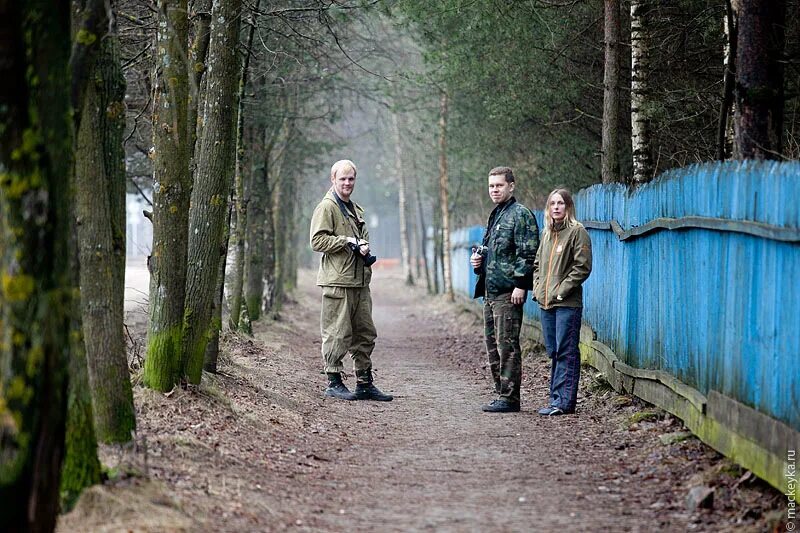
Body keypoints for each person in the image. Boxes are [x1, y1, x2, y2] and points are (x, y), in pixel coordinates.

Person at [309, 159, 393, 402]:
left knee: (365, 333)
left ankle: (364, 383)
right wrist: (347, 241)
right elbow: (317, 241)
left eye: (351, 179)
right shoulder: (326, 207)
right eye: (342, 179)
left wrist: (361, 247)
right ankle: (333, 381)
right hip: (338, 282)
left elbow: (357, 240)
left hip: (359, 281)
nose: (347, 183)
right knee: (337, 332)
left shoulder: (355, 209)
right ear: (333, 179)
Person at [471, 167, 539, 413]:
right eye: (491, 186)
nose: (494, 190)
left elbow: (528, 252)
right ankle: (501, 393)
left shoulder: (520, 215)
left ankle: (510, 398)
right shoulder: (497, 214)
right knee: (493, 346)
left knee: (507, 345)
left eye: (499, 185)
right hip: (490, 291)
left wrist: (521, 285)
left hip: (508, 293)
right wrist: (479, 264)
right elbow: (496, 253)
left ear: (511, 186)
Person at [532, 188, 592, 416]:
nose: (556, 207)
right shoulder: (547, 234)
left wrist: (560, 291)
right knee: (554, 351)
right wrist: (538, 290)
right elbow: (537, 265)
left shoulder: (577, 232)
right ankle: (555, 399)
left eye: (560, 203)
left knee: (566, 351)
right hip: (546, 303)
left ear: (568, 207)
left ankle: (563, 403)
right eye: (552, 204)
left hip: (567, 303)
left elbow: (582, 267)